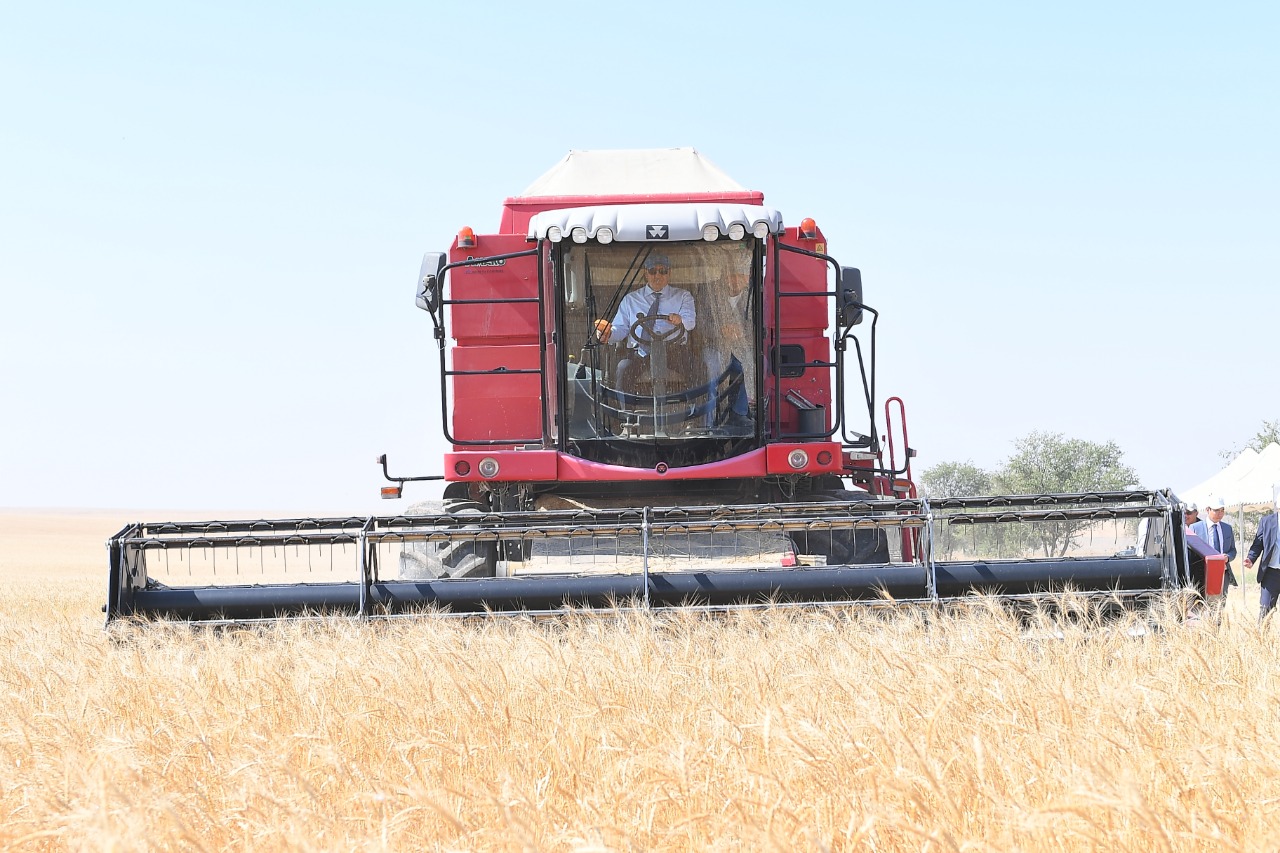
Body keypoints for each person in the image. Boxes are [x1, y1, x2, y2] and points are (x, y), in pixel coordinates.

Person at [596, 253, 696, 391]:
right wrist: (607, 333)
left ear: (669, 273)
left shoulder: (683, 296)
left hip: (674, 353)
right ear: (645, 273)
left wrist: (680, 320)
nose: (658, 275)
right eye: (652, 271)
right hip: (641, 354)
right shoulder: (630, 300)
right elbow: (620, 329)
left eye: (663, 271)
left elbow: (690, 323)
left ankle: (696, 409)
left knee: (696, 370)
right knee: (623, 369)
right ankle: (625, 411)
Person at [699, 253, 755, 431]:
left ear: (748, 278)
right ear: (723, 276)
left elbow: (759, 326)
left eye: (740, 275)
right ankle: (710, 419)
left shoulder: (754, 297)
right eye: (731, 275)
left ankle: (739, 414)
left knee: (748, 366)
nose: (735, 280)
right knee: (713, 369)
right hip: (713, 346)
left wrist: (741, 332)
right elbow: (700, 325)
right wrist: (720, 331)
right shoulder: (709, 294)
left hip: (742, 346)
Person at [1244, 487, 1280, 622]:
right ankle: (1261, 639)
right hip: (1271, 573)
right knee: (1265, 610)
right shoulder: (1267, 522)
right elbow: (1258, 544)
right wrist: (1251, 558)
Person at [1191, 496, 1237, 591]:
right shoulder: (1195, 528)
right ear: (1208, 510)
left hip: (1223, 573)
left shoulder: (1227, 529)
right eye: (1216, 510)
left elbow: (1233, 550)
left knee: (1220, 604)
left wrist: (1227, 557)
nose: (1220, 514)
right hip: (1202, 574)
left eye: (1222, 510)